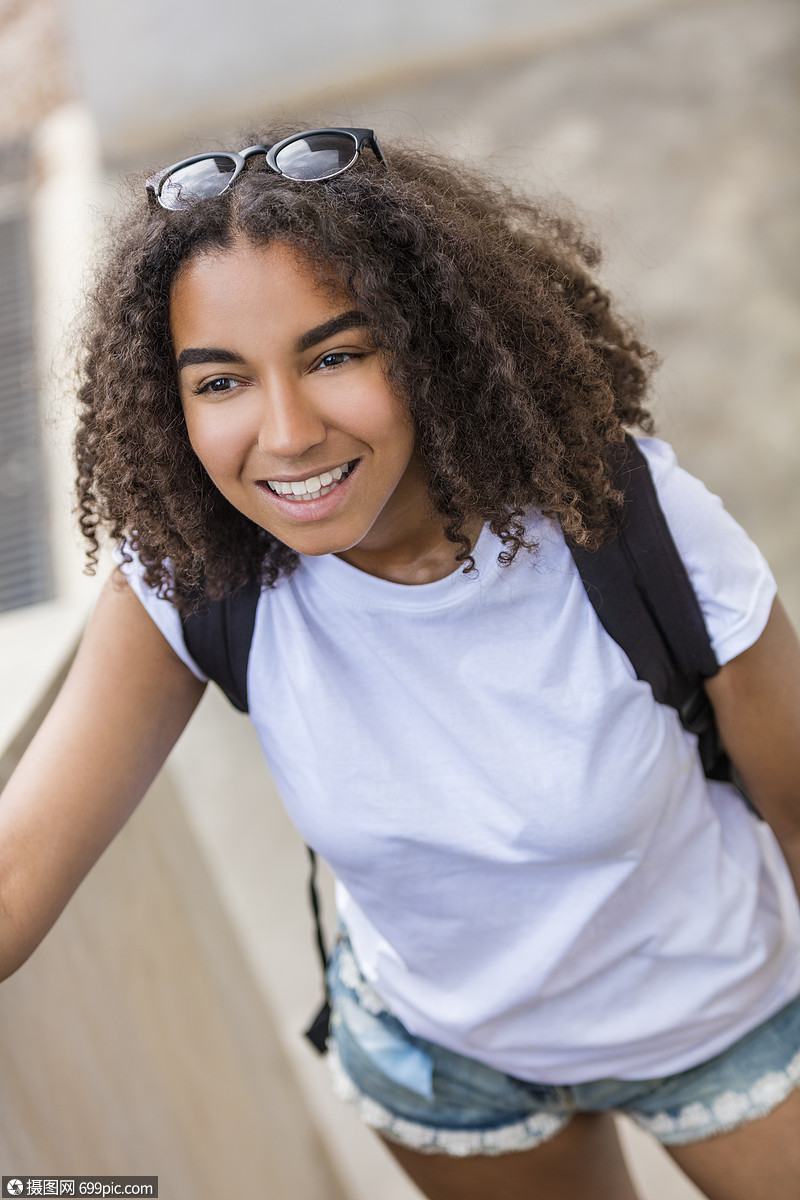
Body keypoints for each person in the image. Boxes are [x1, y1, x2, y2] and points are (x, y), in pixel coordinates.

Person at [1, 125, 799, 1200]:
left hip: (723, 1020)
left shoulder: (629, 526)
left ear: (425, 347)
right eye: (220, 382)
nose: (284, 434)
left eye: (334, 356)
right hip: (444, 1070)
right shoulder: (192, 576)